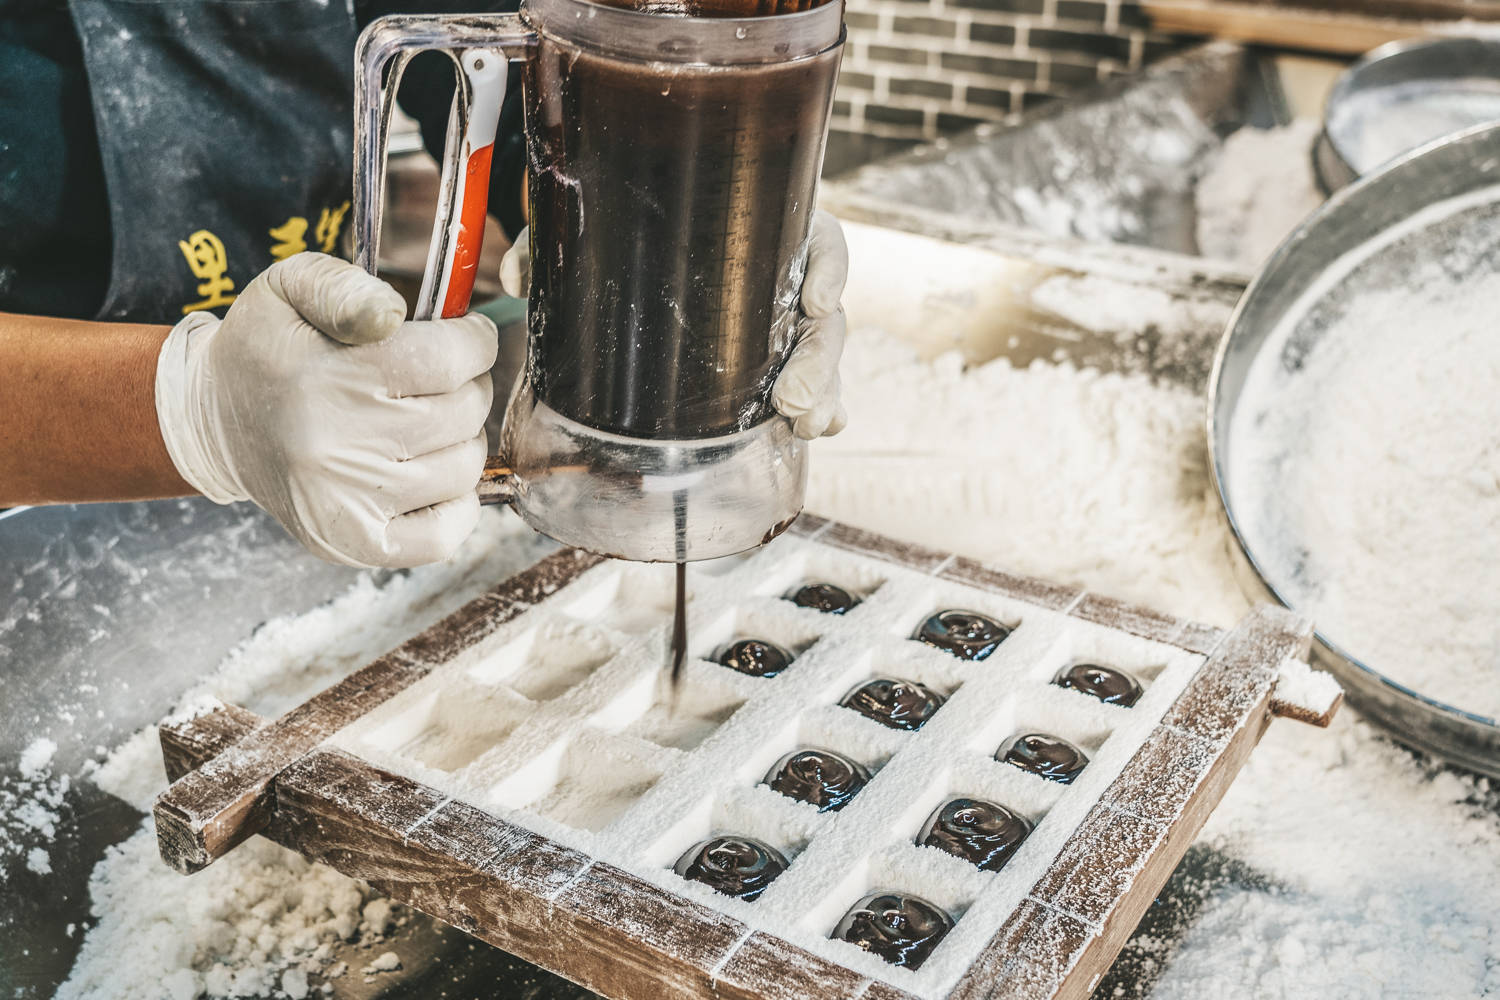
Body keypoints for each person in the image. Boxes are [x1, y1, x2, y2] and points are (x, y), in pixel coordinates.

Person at [0, 1, 847, 568]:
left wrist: (683, 229)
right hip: (33, 513)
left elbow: (519, 97)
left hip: (334, 457)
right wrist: (196, 409)